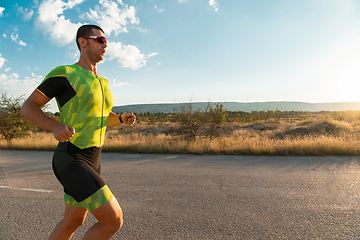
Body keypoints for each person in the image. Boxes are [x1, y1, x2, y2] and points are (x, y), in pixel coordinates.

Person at [21, 24, 136, 240]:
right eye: (100, 40)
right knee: (113, 220)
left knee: (73, 220)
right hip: (72, 157)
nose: (106, 45)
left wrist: (120, 119)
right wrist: (55, 126)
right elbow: (28, 107)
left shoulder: (103, 82)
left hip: (94, 158)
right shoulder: (66, 73)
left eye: (107, 41)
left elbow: (102, 116)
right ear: (83, 42)